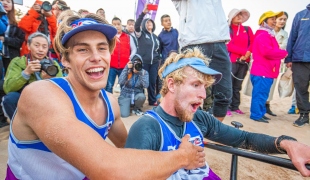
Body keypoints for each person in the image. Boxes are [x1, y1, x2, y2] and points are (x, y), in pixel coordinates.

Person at [5, 14, 205, 179]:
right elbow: (109, 169)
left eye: (102, 48)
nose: (96, 57)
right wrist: (181, 157)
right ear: (65, 59)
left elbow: (130, 152)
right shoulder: (41, 94)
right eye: (83, 49)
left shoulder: (110, 102)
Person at [125, 47, 310, 179]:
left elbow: (244, 139)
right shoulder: (147, 128)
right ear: (172, 84)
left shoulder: (199, 118)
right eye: (196, 85)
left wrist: (286, 143)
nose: (203, 95)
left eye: (205, 87)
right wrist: (178, 160)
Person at [171, 0, 231, 122]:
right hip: (194, 42)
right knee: (189, 93)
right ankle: (189, 130)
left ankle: (213, 131)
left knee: (224, 94)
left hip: (220, 42)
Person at [2, 32, 63, 121]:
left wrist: (49, 80)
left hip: (46, 99)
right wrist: (26, 73)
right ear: (28, 46)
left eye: (44, 47)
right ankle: (20, 127)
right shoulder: (18, 62)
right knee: (10, 98)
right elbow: (8, 88)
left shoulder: (53, 65)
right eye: (37, 45)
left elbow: (62, 90)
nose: (41, 50)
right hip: (25, 98)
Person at [250, 11, 287, 123]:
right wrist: (283, 53)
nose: (274, 21)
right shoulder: (263, 35)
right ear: (263, 21)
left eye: (275, 18)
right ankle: (256, 115)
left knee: (263, 94)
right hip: (262, 71)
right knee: (260, 94)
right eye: (272, 19)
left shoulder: (268, 34)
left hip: (266, 71)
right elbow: (267, 52)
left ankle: (260, 113)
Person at [285, 4, 310, 127]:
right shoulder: (300, 15)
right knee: (301, 88)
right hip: (299, 58)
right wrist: (288, 58)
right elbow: (292, 37)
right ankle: (304, 115)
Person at [226, 8, 254, 116]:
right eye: (236, 15)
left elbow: (252, 42)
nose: (239, 17)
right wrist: (243, 52)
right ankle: (227, 106)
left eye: (240, 15)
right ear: (231, 17)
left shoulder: (247, 29)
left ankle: (235, 106)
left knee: (238, 85)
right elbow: (228, 45)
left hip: (244, 62)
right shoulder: (228, 30)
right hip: (232, 60)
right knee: (229, 84)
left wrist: (248, 53)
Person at [135, 4, 161, 106]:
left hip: (154, 63)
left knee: (152, 82)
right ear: (144, 24)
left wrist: (158, 60)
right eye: (147, 22)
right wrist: (143, 13)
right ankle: (140, 101)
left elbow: (158, 50)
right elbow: (137, 25)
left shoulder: (155, 37)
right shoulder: (141, 34)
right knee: (142, 82)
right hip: (144, 62)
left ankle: (152, 100)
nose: (149, 23)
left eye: (151, 22)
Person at [105, 17, 136, 93]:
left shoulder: (128, 37)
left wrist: (130, 58)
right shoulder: (109, 37)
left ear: (122, 25)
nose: (117, 26)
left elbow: (134, 49)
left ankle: (123, 102)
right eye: (114, 24)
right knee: (109, 85)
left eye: (118, 24)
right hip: (111, 66)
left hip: (124, 67)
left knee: (124, 86)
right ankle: (110, 102)